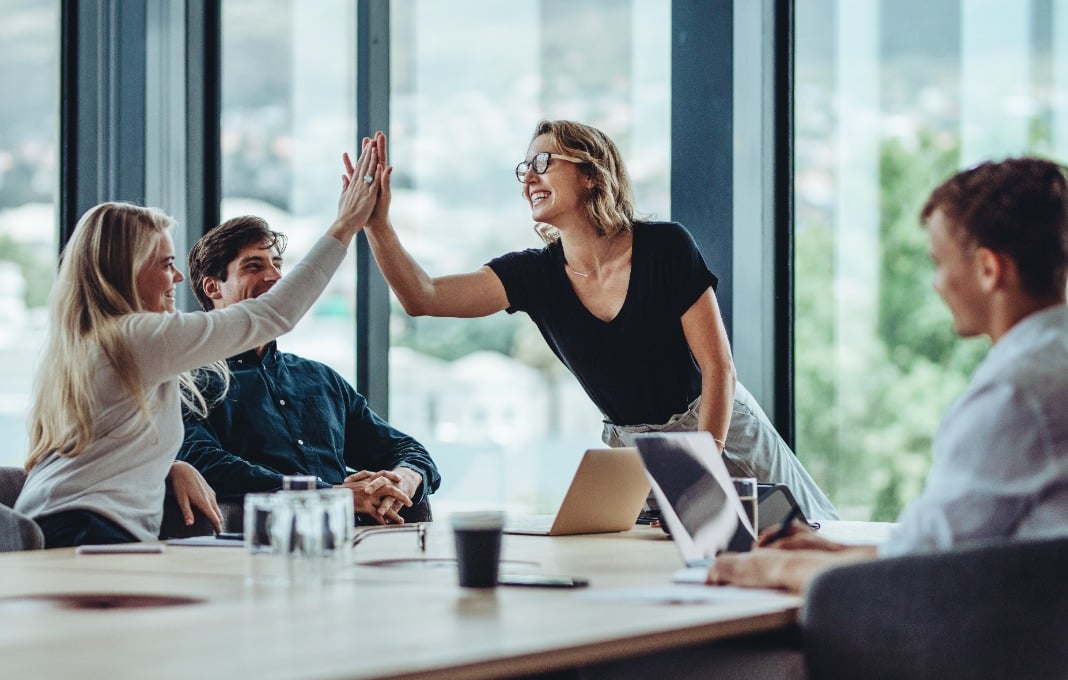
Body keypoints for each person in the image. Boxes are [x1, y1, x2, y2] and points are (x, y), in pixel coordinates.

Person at [354, 120, 838, 521]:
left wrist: (699, 462)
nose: (529, 178)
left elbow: (719, 370)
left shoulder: (666, 246)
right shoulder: (533, 275)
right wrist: (377, 224)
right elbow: (423, 296)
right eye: (525, 168)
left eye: (544, 162)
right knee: (670, 575)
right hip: (635, 455)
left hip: (719, 428)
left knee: (807, 541)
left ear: (590, 173)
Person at [708, 157, 1068, 593]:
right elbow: (946, 544)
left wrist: (768, 569)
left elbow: (917, 572)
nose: (936, 284)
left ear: (989, 269)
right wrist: (834, 552)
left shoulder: (1016, 391)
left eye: (939, 262)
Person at [14, 140, 384, 547]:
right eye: (165, 264)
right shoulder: (133, 337)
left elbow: (105, 446)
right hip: (84, 530)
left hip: (58, 523)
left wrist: (171, 466)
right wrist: (345, 226)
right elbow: (273, 314)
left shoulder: (94, 341)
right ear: (125, 271)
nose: (177, 279)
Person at [178, 215, 441, 525]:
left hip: (357, 545)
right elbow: (202, 461)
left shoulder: (320, 378)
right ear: (213, 287)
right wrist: (327, 494)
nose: (275, 277)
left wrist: (404, 479)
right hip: (261, 547)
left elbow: (405, 448)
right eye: (254, 266)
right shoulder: (189, 382)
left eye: (277, 264)